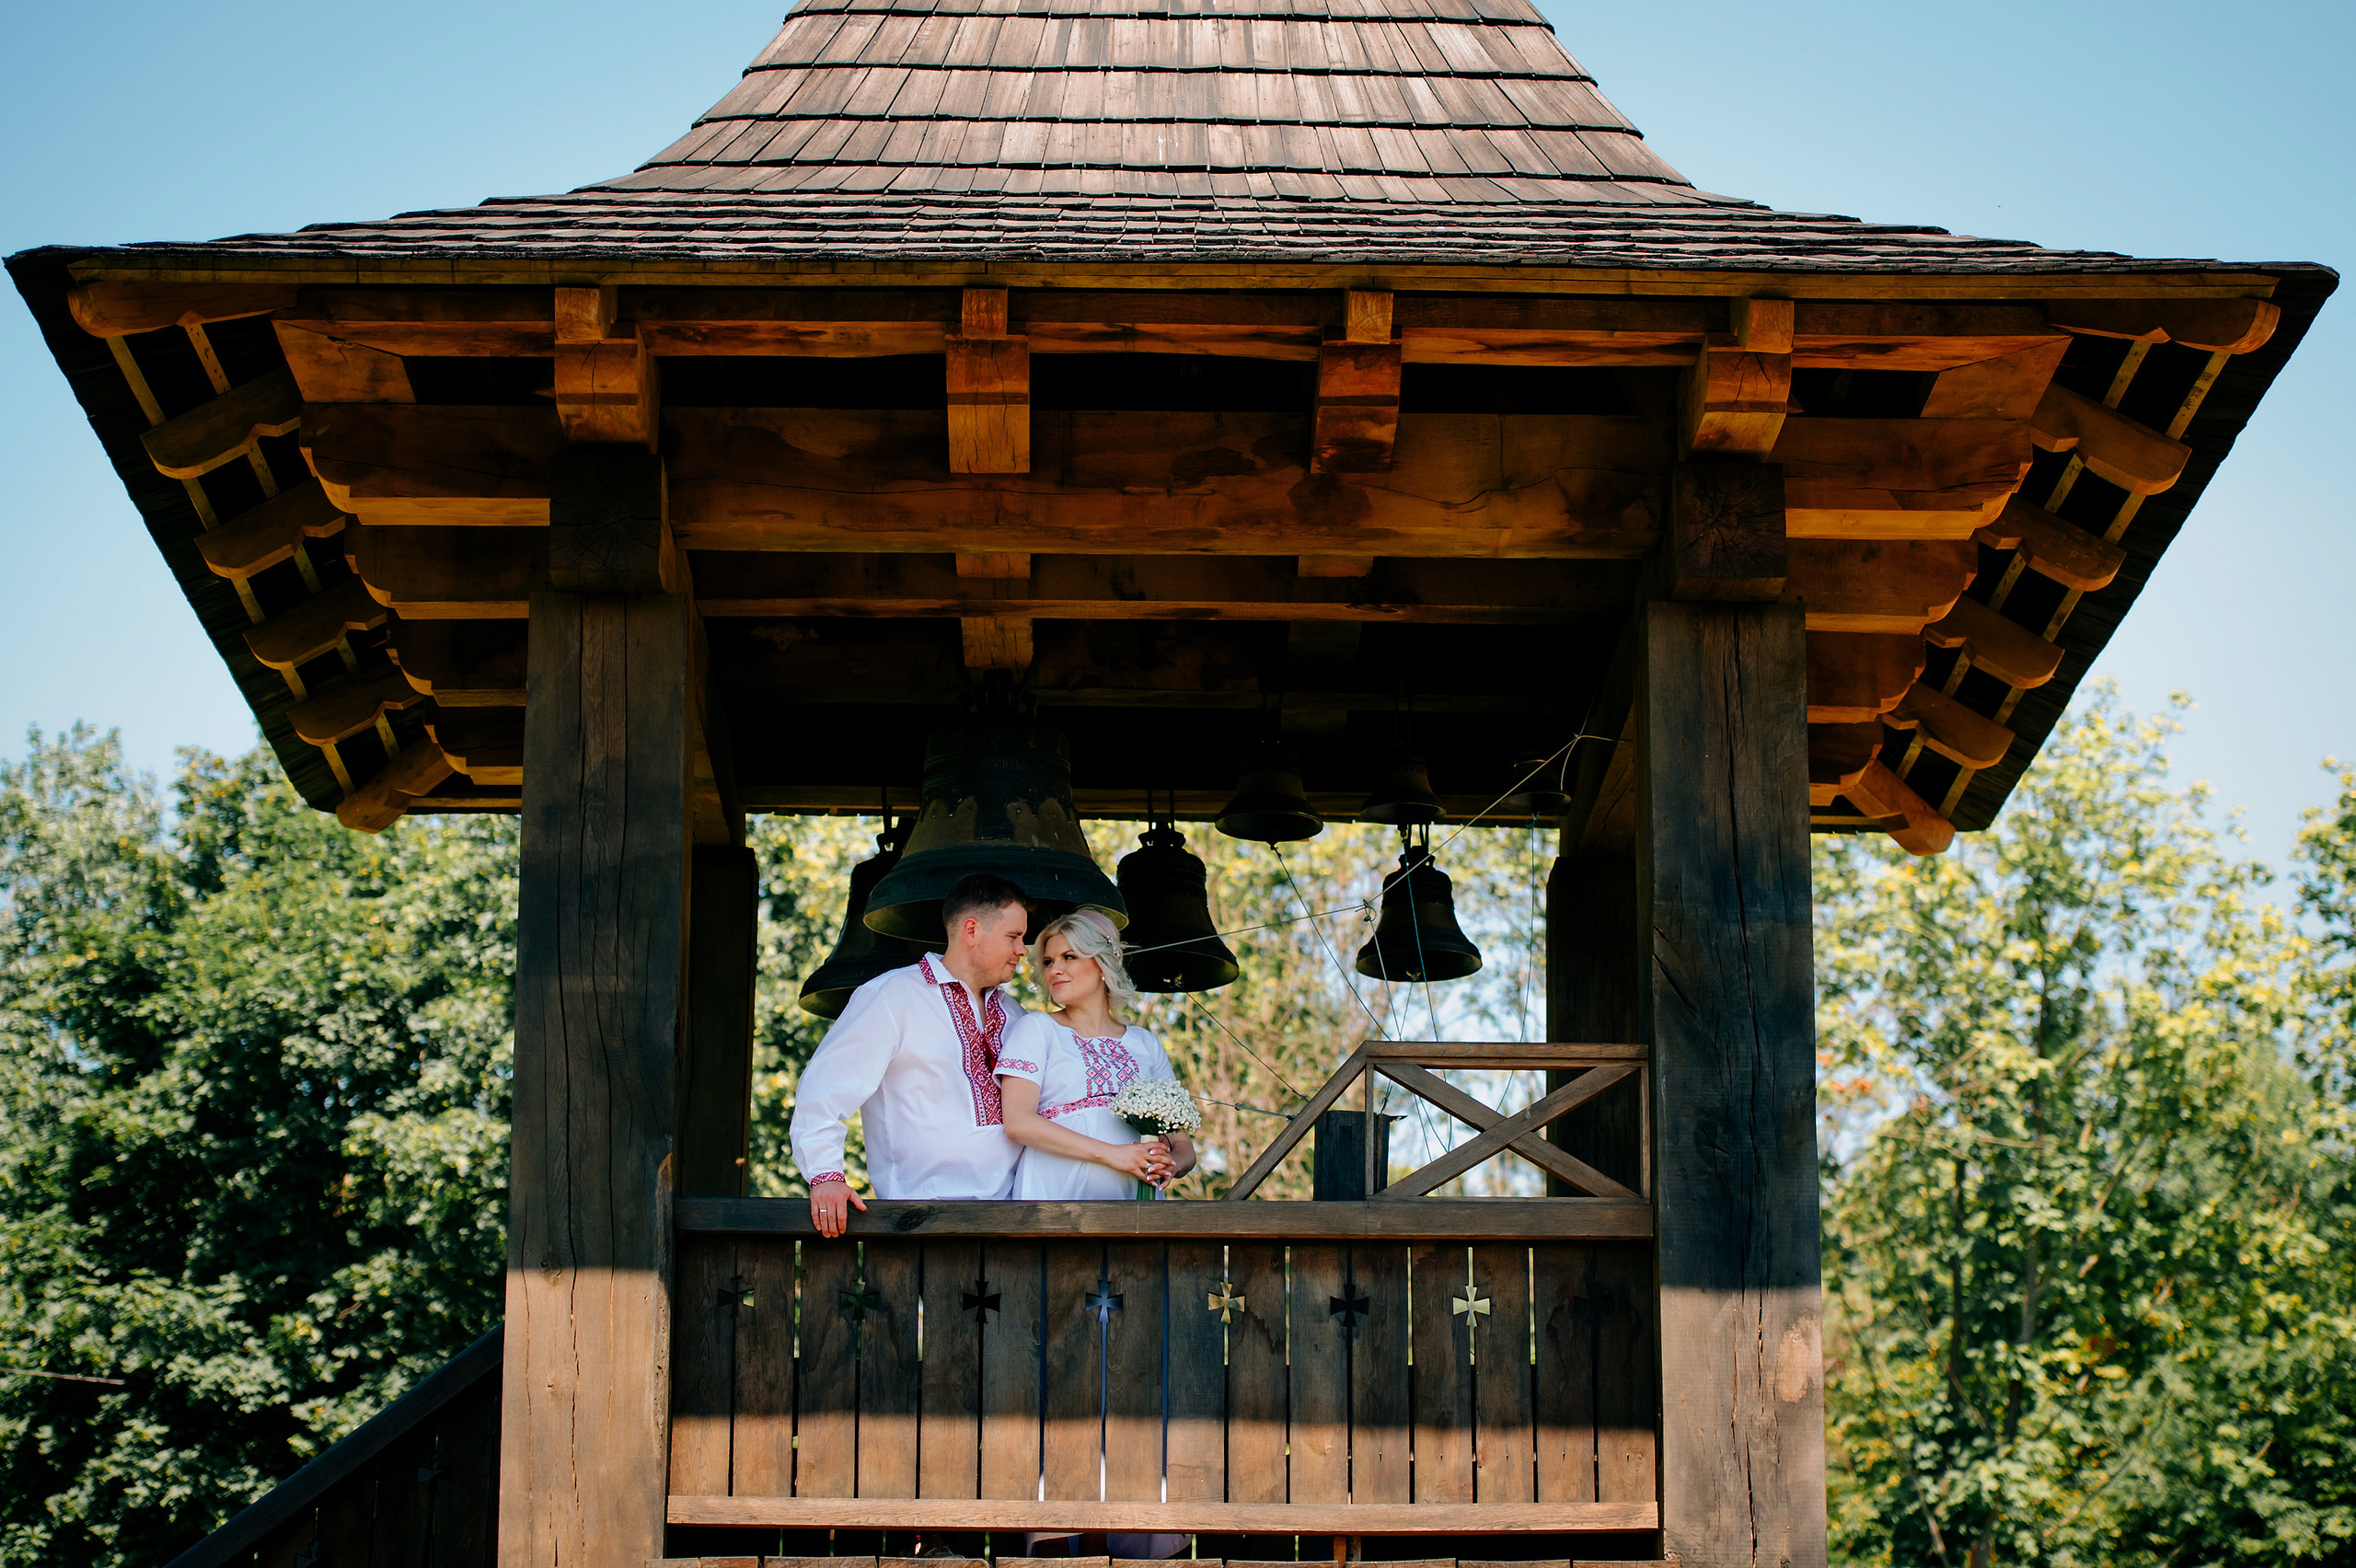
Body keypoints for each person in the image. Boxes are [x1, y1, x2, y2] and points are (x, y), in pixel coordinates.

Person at [790, 871, 1032, 1238]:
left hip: (1014, 1223)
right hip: (921, 1223)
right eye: (1013, 937)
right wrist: (825, 1176)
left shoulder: (1015, 1015)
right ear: (971, 930)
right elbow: (824, 1088)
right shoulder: (893, 996)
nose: (1022, 950)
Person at [997, 908, 1197, 1200]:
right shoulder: (1038, 1029)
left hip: (1136, 1206)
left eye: (1070, 957)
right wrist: (1113, 1155)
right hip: (1055, 1196)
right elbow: (1018, 1123)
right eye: (1049, 961)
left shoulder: (1145, 1043)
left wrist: (1171, 1164)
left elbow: (1183, 1145)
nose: (1054, 970)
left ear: (1102, 964)